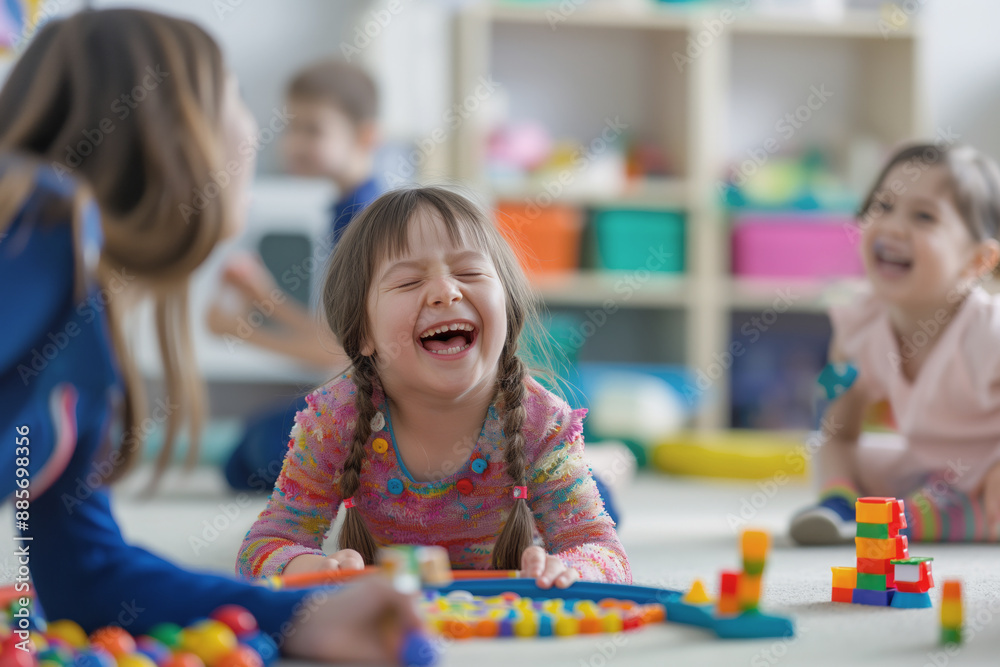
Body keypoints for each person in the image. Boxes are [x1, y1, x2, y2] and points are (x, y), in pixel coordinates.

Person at [0, 10, 420, 663]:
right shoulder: (42, 220)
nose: (259, 133)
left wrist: (300, 612)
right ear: (171, 130)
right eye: (237, 99)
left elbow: (85, 574)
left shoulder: (84, 346)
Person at [237, 187, 631, 586]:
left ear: (508, 310)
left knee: (602, 502)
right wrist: (309, 568)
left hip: (540, 468)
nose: (446, 291)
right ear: (363, 335)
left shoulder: (542, 421)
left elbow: (603, 551)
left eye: (469, 272)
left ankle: (605, 464)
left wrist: (572, 568)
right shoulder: (332, 419)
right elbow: (264, 545)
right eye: (408, 282)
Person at [790, 143, 1000, 545]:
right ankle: (842, 506)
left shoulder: (989, 330)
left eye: (923, 216)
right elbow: (840, 432)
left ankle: (923, 519)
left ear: (976, 262)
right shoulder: (862, 325)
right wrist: (841, 478)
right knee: (846, 451)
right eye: (883, 207)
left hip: (989, 474)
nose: (892, 227)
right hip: (932, 471)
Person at [210, 59, 383, 491]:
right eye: (291, 127)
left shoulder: (366, 219)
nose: (293, 143)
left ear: (365, 137)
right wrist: (263, 298)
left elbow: (341, 354)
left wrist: (240, 330)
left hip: (380, 410)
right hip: (359, 395)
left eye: (313, 129)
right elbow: (340, 333)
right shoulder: (345, 206)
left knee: (258, 452)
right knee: (241, 459)